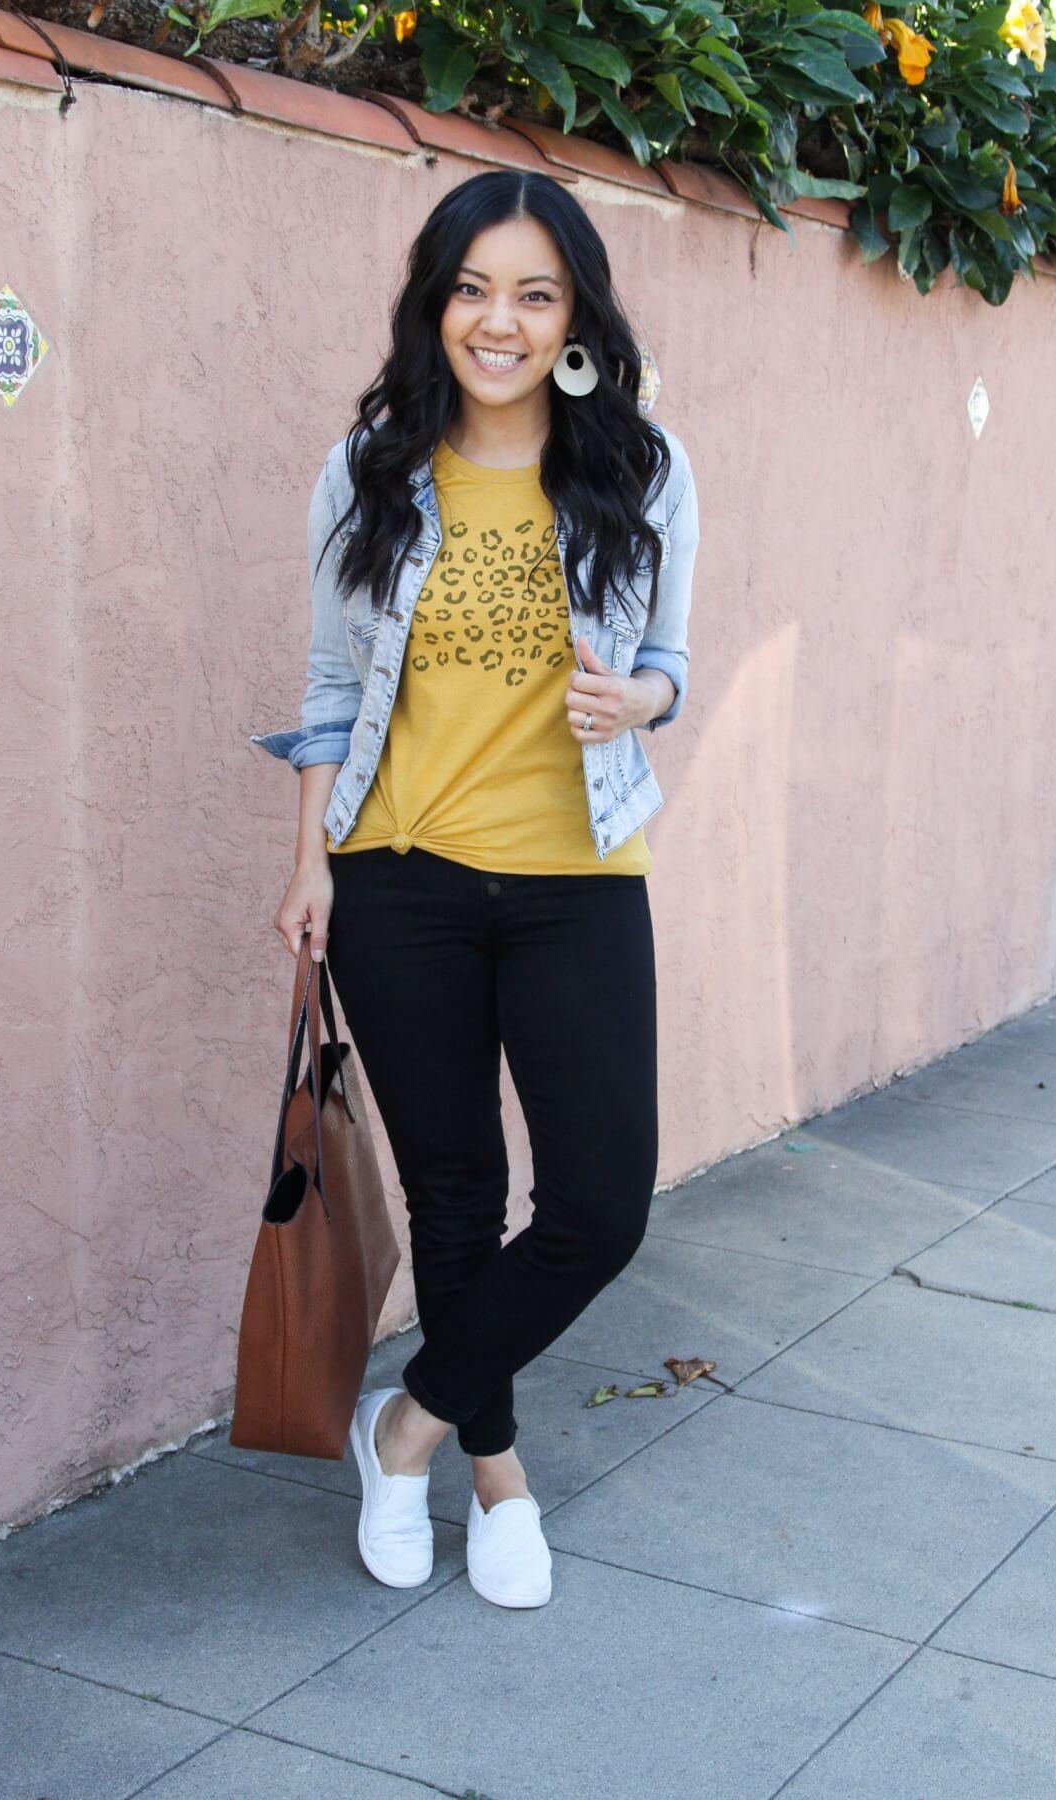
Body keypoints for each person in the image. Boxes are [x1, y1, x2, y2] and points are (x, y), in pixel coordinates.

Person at [251, 167, 700, 1610]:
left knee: (597, 1203)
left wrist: (639, 696)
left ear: (576, 313)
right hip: (401, 876)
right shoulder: (370, 468)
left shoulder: (641, 466)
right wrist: (310, 858)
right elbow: (330, 683)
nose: (497, 322)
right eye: (470, 288)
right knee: (455, 1195)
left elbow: (673, 660)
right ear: (433, 303)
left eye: (533, 293)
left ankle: (411, 1423)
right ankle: (494, 1477)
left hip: (579, 874)